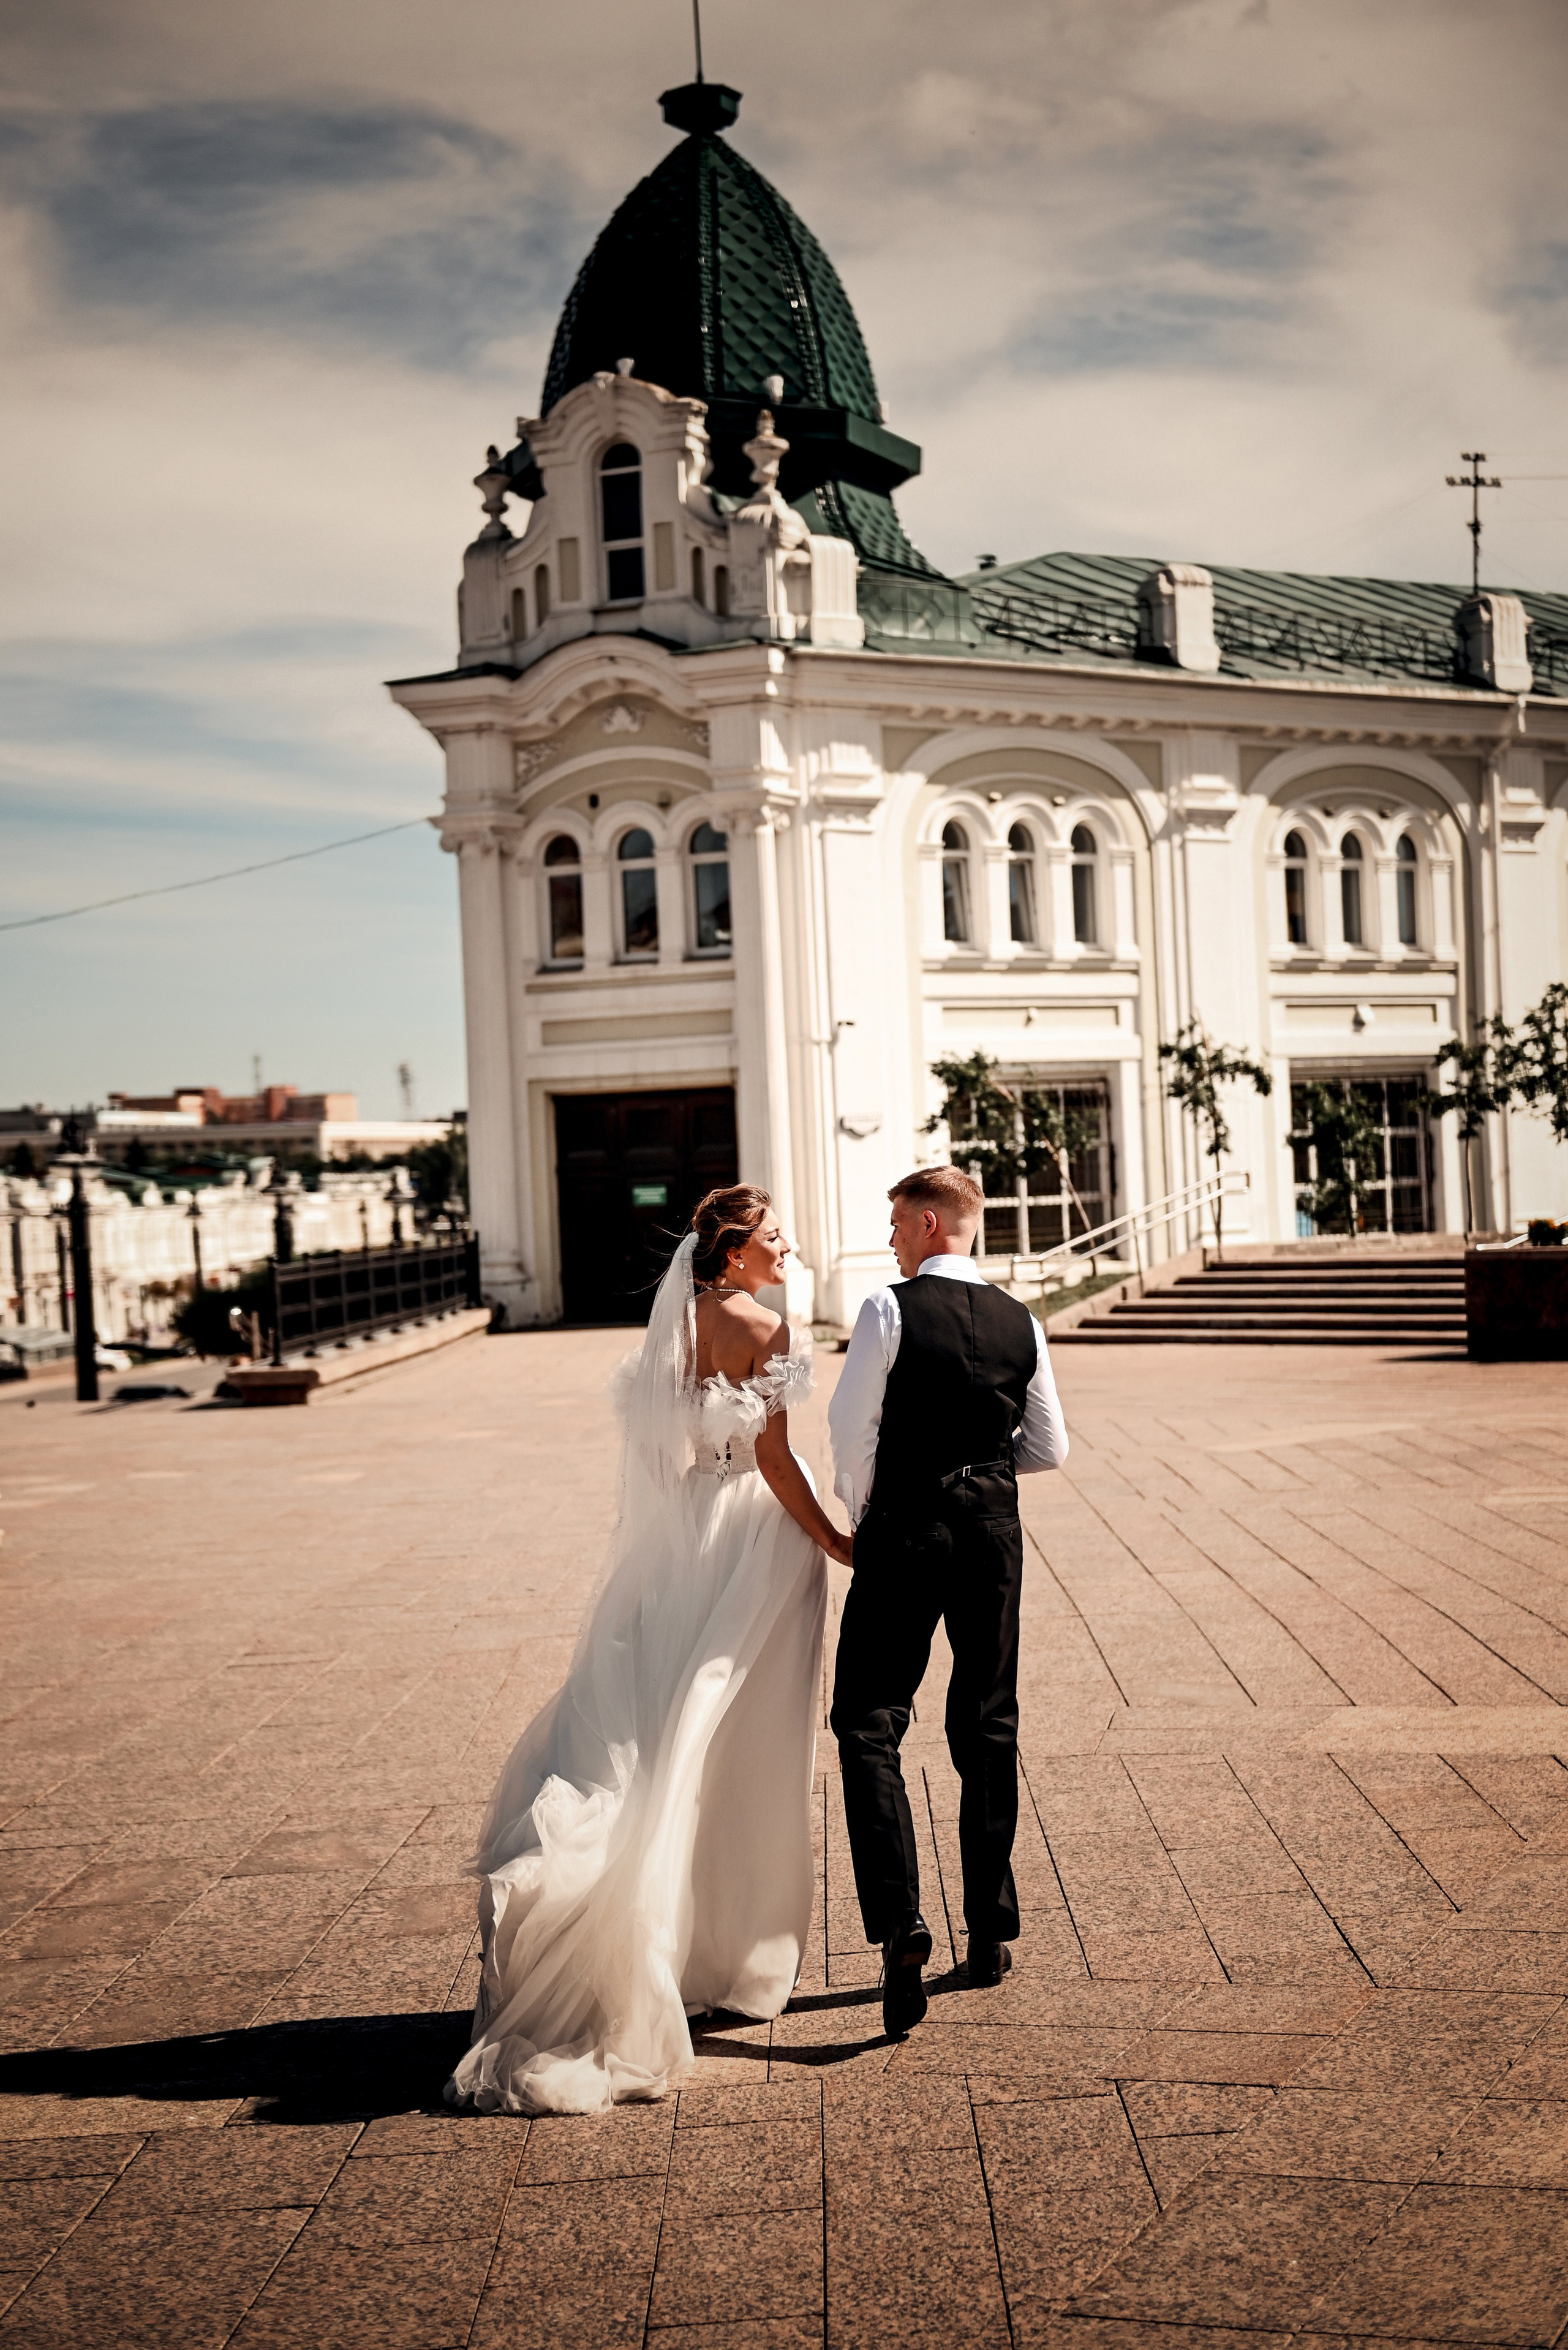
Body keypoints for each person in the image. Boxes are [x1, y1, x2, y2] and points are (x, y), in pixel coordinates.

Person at [447, 1185, 851, 2115]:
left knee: (679, 1720)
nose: (788, 1251)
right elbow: (779, 1460)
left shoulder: (678, 1324)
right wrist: (830, 1539)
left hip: (693, 1530)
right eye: (774, 1240)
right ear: (736, 1250)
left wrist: (681, 1537)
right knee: (746, 1738)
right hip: (760, 1534)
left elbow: (668, 1455)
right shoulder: (769, 1325)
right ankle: (718, 1948)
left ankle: (677, 1942)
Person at [827, 1165, 1069, 2038]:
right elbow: (1050, 1445)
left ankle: (901, 1926)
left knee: (868, 1719)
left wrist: (863, 1520)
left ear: (932, 1223)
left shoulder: (889, 1309)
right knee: (988, 1722)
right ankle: (990, 1930)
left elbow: (850, 1430)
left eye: (896, 1222)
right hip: (993, 1530)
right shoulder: (1022, 1318)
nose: (891, 1238)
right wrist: (986, 1470)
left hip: (906, 1525)